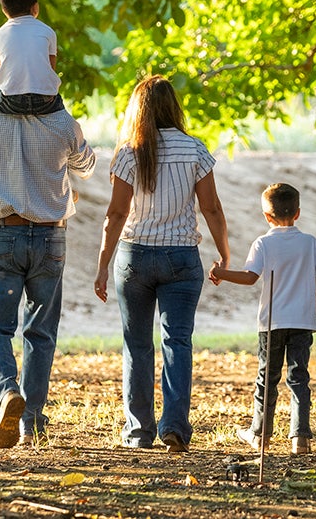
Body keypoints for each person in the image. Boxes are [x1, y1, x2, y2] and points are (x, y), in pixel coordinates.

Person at [0, 83, 96, 448]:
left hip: (2, 234)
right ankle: (32, 421)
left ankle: (6, 393)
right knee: (41, 331)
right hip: (50, 238)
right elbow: (88, 167)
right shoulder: (63, 121)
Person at [94, 75, 229, 453]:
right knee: (178, 342)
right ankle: (174, 428)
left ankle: (138, 432)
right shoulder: (195, 150)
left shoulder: (128, 153)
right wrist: (224, 252)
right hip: (182, 259)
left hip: (134, 257)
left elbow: (116, 214)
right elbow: (211, 207)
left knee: (137, 345)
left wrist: (103, 264)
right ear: (174, 107)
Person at [209, 184, 316, 456]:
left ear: (267, 216)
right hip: (302, 321)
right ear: (297, 213)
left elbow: (251, 277)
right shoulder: (309, 242)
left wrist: (222, 273)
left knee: (267, 378)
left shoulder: (263, 243)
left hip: (272, 322)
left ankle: (260, 435)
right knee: (299, 378)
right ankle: (300, 438)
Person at [0, 0, 65, 116]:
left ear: (4, 10)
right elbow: (50, 69)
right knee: (59, 103)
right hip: (45, 103)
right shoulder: (48, 32)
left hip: (11, 102)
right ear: (35, 7)